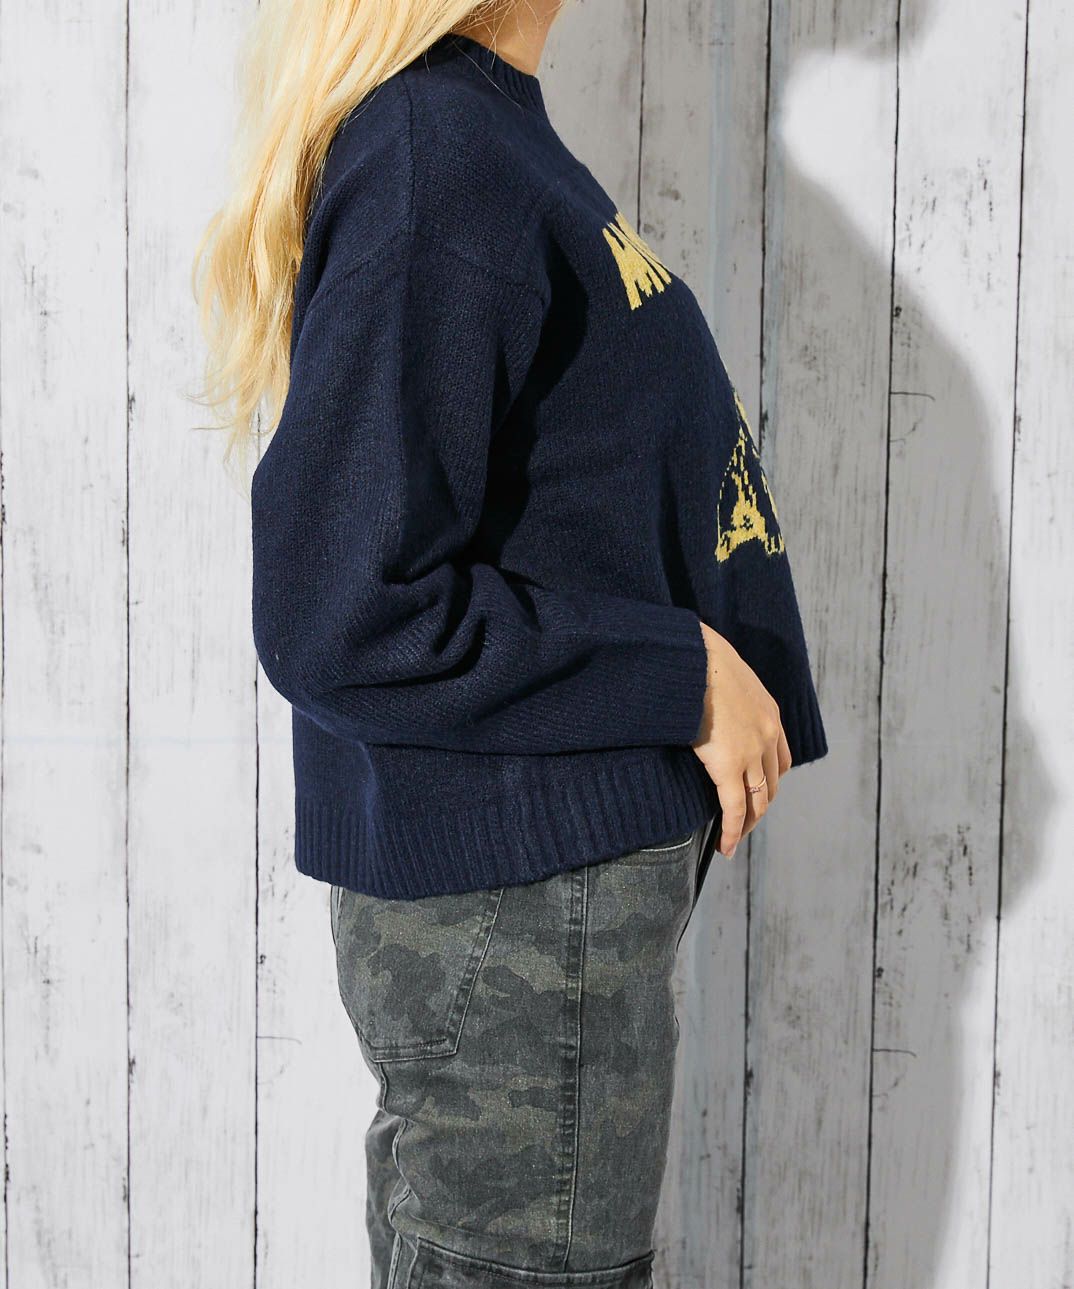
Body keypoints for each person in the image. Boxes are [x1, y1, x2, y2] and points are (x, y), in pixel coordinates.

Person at [193, 1, 829, 1284]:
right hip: (525, 925)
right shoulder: (436, 148)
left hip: (536, 918)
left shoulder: (480, 139)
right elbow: (340, 608)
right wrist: (682, 670)